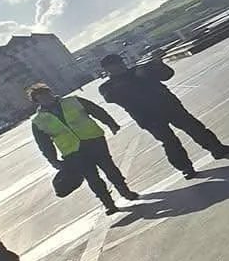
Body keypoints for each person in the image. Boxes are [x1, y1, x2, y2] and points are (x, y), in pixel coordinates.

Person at [100, 53, 229, 177]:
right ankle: (185, 168)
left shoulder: (140, 69)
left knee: (195, 128)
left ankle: (217, 149)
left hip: (169, 107)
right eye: (114, 66)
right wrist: (135, 79)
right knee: (169, 142)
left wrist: (158, 65)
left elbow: (167, 75)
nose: (120, 66)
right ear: (107, 70)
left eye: (120, 63)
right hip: (148, 117)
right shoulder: (107, 86)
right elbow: (112, 97)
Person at [26, 82, 142, 215]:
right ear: (37, 101)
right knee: (92, 177)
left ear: (51, 93)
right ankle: (108, 203)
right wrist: (53, 160)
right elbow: (44, 143)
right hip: (73, 151)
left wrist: (111, 123)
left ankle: (125, 191)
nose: (46, 98)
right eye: (41, 97)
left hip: (93, 140)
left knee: (109, 167)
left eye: (47, 94)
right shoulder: (39, 121)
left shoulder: (73, 101)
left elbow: (96, 110)